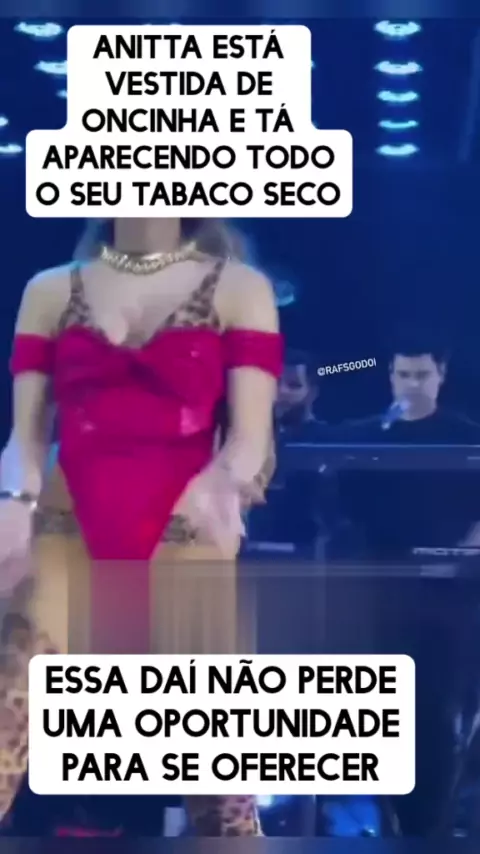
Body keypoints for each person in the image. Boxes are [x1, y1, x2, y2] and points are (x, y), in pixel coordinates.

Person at [0, 217, 283, 836]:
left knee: (221, 789)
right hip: (67, 526)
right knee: (7, 710)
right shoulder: (50, 289)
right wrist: (12, 501)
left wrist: (226, 480)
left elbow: (251, 436)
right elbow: (25, 437)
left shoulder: (239, 288)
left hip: (183, 531)